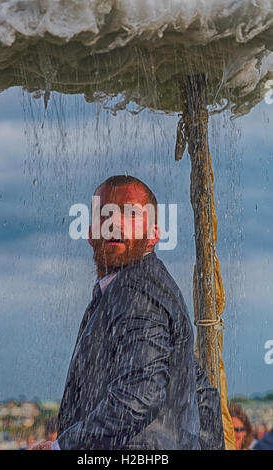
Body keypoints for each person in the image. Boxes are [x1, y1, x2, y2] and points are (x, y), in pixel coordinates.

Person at [32, 175, 224, 450]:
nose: (115, 223)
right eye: (105, 214)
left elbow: (140, 393)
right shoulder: (147, 285)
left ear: (154, 235)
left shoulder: (135, 288)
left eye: (131, 215)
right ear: (89, 232)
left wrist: (61, 448)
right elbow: (203, 396)